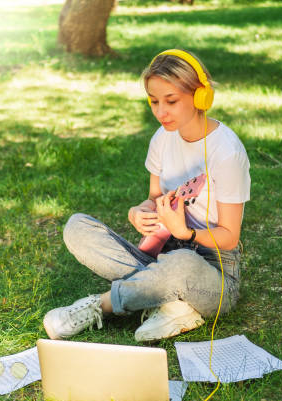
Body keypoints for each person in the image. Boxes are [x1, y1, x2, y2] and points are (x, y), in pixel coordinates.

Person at [43, 49, 251, 342]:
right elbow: (155, 198)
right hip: (160, 253)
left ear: (201, 96)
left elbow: (230, 236)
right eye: (154, 101)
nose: (160, 112)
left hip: (212, 271)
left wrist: (187, 234)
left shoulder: (226, 151)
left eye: (171, 101)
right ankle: (168, 302)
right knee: (77, 227)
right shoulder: (162, 138)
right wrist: (138, 211)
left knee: (181, 262)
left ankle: (100, 306)